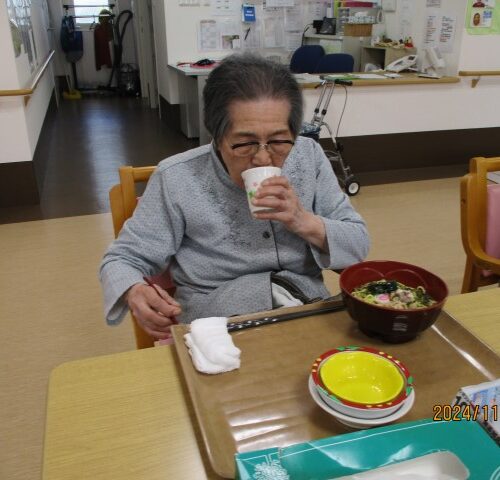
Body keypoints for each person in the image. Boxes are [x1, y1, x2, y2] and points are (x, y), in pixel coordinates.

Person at [99, 53, 370, 339]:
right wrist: (135, 290)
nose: (263, 157)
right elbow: (122, 259)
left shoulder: (309, 157)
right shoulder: (176, 178)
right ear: (217, 136)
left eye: (278, 140)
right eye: (244, 143)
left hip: (304, 309)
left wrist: (302, 220)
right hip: (217, 325)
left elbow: (357, 245)